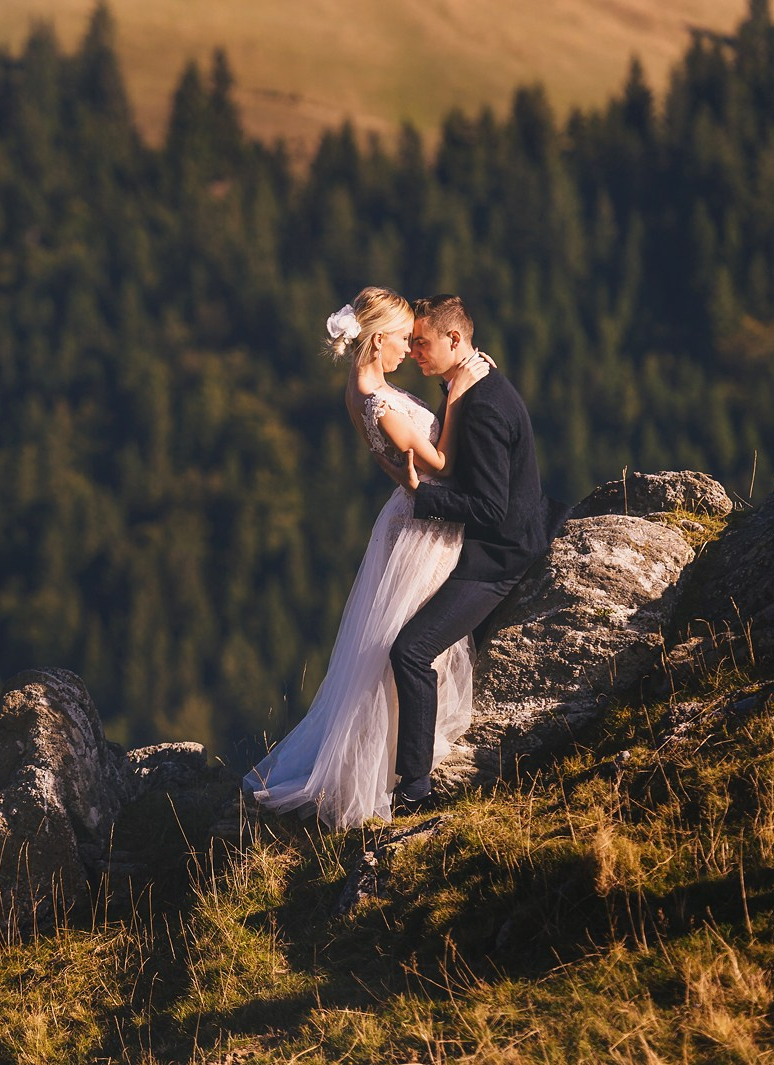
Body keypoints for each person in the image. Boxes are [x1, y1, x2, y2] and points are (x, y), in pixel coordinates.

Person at [243, 287, 490, 828]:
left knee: (393, 641)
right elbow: (443, 464)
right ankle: (395, 762)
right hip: (423, 532)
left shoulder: (363, 391)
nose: (411, 349)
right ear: (377, 341)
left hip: (405, 520)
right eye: (404, 339)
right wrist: (462, 390)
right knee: (409, 641)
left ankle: (402, 749)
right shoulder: (381, 405)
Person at [387, 294, 569, 812]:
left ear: (454, 340)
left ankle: (416, 789)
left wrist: (421, 495)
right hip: (495, 540)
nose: (415, 351)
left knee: (410, 650)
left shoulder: (485, 406)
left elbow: (490, 509)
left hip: (500, 557)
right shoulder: (474, 385)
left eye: (422, 343)